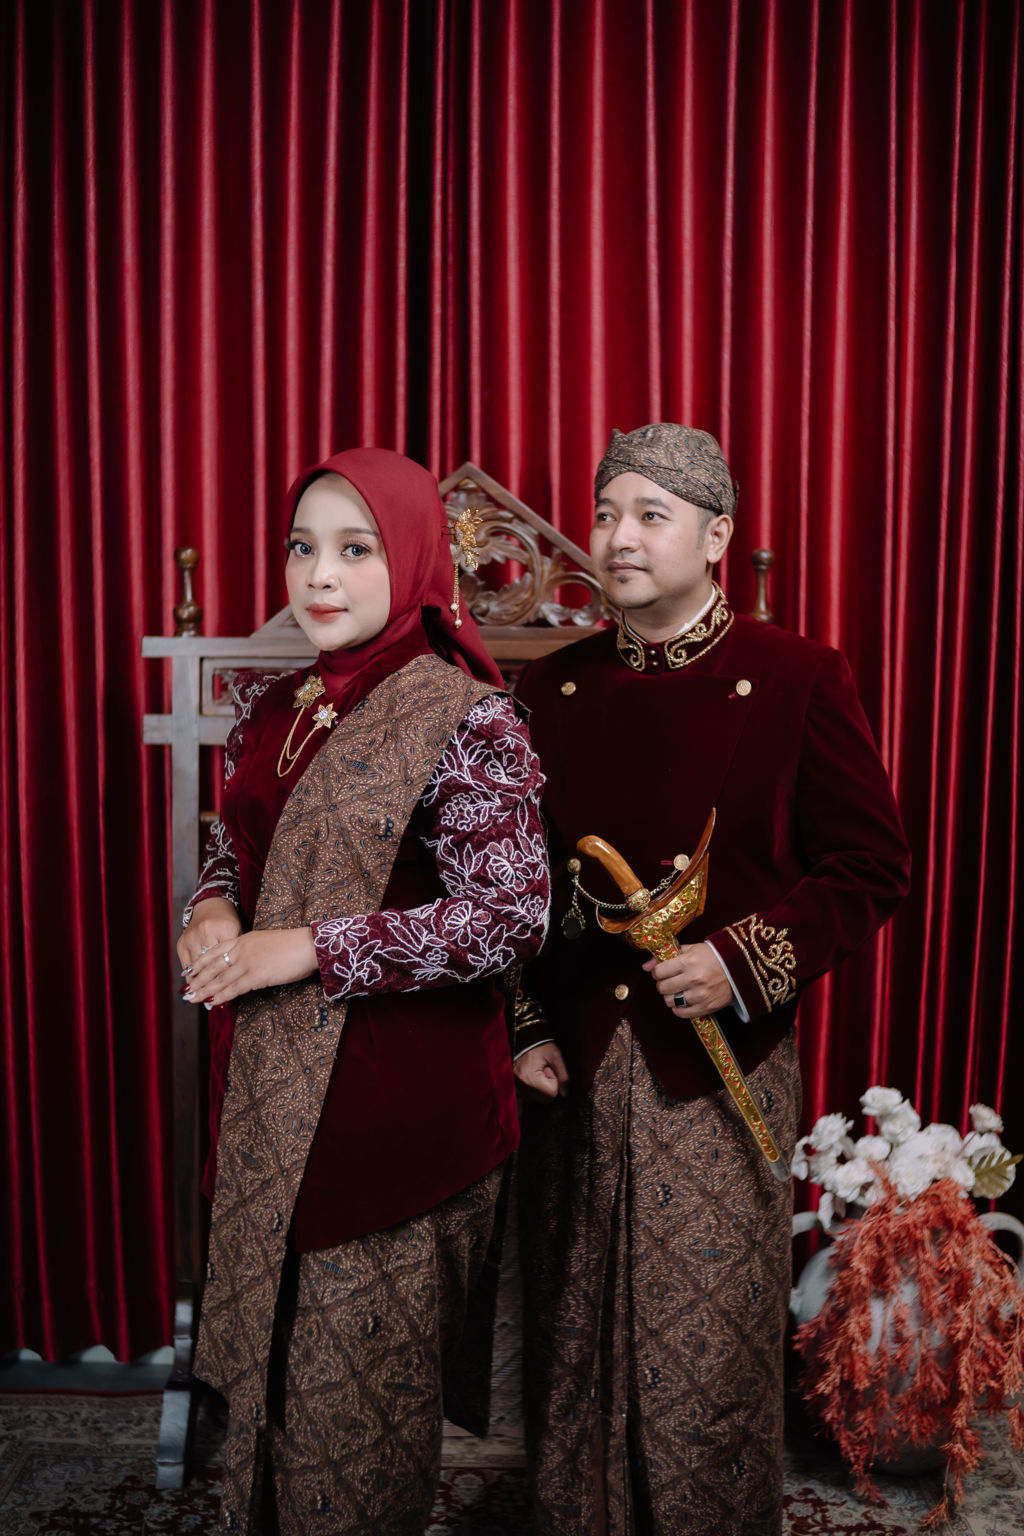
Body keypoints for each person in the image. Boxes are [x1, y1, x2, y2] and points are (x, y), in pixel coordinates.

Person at [512, 423, 911, 1536]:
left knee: (707, 1355)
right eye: (606, 514)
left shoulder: (796, 677)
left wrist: (738, 960)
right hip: (576, 1070)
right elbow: (515, 891)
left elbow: (870, 865)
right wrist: (525, 1027)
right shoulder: (553, 687)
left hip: (718, 1064)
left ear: (717, 537)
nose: (619, 538)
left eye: (652, 515)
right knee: (572, 1343)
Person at [176, 447, 549, 1535]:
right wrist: (213, 908)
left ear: (418, 561)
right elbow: (235, 850)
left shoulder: (467, 719)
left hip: (393, 1126)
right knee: (269, 1398)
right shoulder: (273, 703)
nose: (319, 576)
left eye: (356, 549)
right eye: (303, 548)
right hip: (269, 1104)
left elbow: (509, 916)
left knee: (355, 1433)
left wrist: (309, 949)